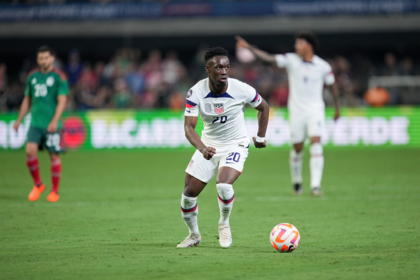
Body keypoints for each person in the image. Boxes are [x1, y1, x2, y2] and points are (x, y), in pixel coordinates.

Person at [177, 47, 270, 248]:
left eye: (227, 67)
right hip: (208, 146)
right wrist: (202, 148)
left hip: (235, 144)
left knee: (224, 185)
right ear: (207, 69)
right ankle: (194, 236)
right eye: (218, 67)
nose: (224, 71)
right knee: (188, 196)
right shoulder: (196, 92)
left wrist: (261, 136)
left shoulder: (241, 89)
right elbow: (188, 127)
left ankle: (224, 224)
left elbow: (264, 107)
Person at [236, 31, 340, 196]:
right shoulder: (291, 60)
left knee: (316, 142)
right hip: (297, 111)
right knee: (297, 148)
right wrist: (249, 47)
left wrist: (337, 108)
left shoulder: (323, 66)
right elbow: (268, 58)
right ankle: (297, 182)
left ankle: (315, 186)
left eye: (299, 43)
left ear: (309, 46)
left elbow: (333, 85)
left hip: (316, 110)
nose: (295, 46)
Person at [14, 46, 69, 202]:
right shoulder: (32, 77)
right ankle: (38, 184)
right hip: (35, 123)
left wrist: (54, 121)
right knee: (30, 151)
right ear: (37, 60)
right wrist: (19, 120)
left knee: (54, 156)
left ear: (52, 58)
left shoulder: (59, 77)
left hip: (52, 124)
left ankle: (55, 191)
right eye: (40, 58)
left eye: (46, 57)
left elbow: (62, 100)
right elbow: (27, 99)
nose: (43, 60)